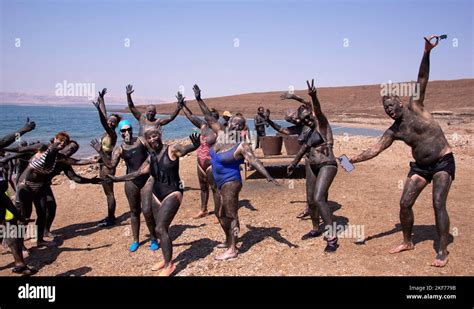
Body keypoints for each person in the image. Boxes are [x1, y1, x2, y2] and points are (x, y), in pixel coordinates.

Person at [348, 36, 453, 267]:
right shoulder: (393, 131)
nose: (389, 111)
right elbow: (374, 150)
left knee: (438, 203)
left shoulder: (416, 105)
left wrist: (426, 52)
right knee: (405, 203)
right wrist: (352, 158)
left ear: (400, 102)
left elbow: (422, 77)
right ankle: (408, 241)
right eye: (385, 109)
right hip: (421, 167)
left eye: (391, 106)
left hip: (443, 161)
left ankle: (443, 250)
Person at [192, 84, 279, 261]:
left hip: (231, 182)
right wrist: (199, 98)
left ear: (241, 129)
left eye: (239, 125)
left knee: (230, 214)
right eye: (233, 121)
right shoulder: (221, 133)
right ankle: (229, 239)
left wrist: (268, 175)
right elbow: (209, 117)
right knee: (220, 213)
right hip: (218, 181)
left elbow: (254, 161)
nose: (234, 125)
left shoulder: (242, 145)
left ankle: (232, 249)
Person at [107, 129, 201, 276]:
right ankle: (165, 259)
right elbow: (138, 173)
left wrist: (194, 146)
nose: (152, 139)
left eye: (155, 136)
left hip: (173, 192)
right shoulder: (151, 157)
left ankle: (169, 265)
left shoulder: (171, 149)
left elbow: (184, 150)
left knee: (160, 228)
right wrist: (117, 179)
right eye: (149, 138)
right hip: (157, 194)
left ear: (160, 136)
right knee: (161, 228)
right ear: (147, 140)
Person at [283, 79, 339, 252]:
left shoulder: (321, 124)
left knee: (319, 198)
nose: (306, 121)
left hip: (327, 164)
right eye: (303, 119)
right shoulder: (308, 132)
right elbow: (304, 149)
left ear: (312, 116)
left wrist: (313, 96)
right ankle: (316, 228)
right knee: (310, 200)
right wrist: (293, 163)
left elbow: (318, 110)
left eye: (308, 118)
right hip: (311, 165)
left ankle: (332, 237)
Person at [91, 120, 159, 252]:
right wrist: (101, 151)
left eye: (129, 129)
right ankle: (136, 240)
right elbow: (111, 165)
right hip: (131, 181)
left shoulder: (141, 141)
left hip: (146, 180)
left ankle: (153, 238)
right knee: (134, 212)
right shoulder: (119, 149)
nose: (127, 132)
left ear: (132, 130)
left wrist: (148, 166)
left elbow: (153, 153)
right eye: (123, 131)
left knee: (147, 210)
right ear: (120, 133)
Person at [264, 107, 316, 220]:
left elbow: (311, 105)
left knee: (320, 187)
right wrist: (269, 121)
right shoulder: (298, 128)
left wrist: (295, 97)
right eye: (290, 121)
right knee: (309, 186)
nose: (294, 120)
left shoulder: (312, 122)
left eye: (293, 117)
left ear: (298, 114)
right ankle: (309, 208)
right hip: (309, 158)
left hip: (321, 158)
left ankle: (320, 208)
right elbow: (282, 130)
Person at [178, 93, 221, 219]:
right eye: (207, 117)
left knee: (214, 188)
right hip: (200, 162)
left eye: (210, 118)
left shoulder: (217, 131)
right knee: (203, 187)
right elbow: (190, 116)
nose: (207, 119)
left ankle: (219, 213)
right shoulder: (202, 126)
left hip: (211, 162)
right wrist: (182, 105)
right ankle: (203, 209)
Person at [92, 88, 121, 227]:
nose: (111, 122)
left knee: (109, 193)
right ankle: (110, 216)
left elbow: (103, 120)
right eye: (110, 120)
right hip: (103, 165)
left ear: (116, 125)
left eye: (114, 122)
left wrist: (98, 110)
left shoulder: (112, 134)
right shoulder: (106, 131)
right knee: (107, 193)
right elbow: (104, 116)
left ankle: (111, 218)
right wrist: (102, 99)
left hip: (108, 166)